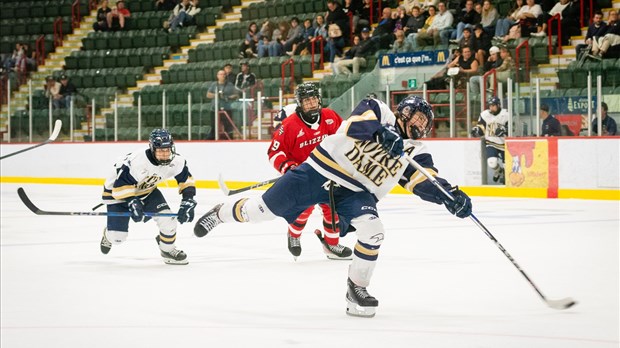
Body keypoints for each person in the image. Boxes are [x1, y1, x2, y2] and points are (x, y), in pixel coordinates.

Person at [193, 96, 472, 318]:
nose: (421, 125)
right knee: (258, 212)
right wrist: (381, 134)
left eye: (426, 123)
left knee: (373, 231)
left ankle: (357, 289)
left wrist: (448, 196)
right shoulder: (379, 109)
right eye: (419, 117)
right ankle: (220, 213)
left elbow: (424, 180)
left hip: (355, 191)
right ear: (405, 112)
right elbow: (354, 125)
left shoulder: (416, 151)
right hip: (319, 171)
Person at [267, 82, 352, 260]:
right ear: (300, 104)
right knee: (304, 208)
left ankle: (331, 245)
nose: (312, 104)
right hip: (303, 174)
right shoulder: (289, 125)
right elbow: (275, 152)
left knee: (332, 207)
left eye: (314, 99)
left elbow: (344, 138)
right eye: (307, 101)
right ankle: (294, 234)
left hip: (327, 172)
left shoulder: (329, 116)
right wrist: (289, 168)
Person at [99, 129, 197, 265]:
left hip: (146, 191)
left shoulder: (176, 161)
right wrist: (132, 202)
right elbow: (119, 187)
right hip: (117, 193)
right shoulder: (138, 161)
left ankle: (167, 250)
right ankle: (108, 235)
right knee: (118, 238)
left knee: (169, 220)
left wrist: (188, 200)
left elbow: (186, 180)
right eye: (160, 150)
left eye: (167, 149)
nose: (165, 154)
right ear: (152, 148)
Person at [471, 96, 508, 184]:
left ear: (498, 105)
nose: (491, 107)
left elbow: (512, 127)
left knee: (507, 167)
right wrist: (476, 130)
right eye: (490, 105)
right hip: (491, 142)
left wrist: (504, 130)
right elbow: (481, 127)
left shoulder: (506, 114)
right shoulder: (485, 114)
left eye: (493, 105)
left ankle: (505, 177)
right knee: (492, 162)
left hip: (505, 144)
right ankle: (498, 170)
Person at [207, 70, 239, 139]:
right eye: (221, 74)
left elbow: (236, 95)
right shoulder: (214, 85)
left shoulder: (230, 85)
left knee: (228, 127)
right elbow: (208, 95)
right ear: (217, 76)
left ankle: (229, 139)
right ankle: (211, 140)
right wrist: (217, 95)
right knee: (214, 126)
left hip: (226, 108)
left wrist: (227, 97)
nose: (222, 76)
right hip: (215, 109)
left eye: (224, 74)